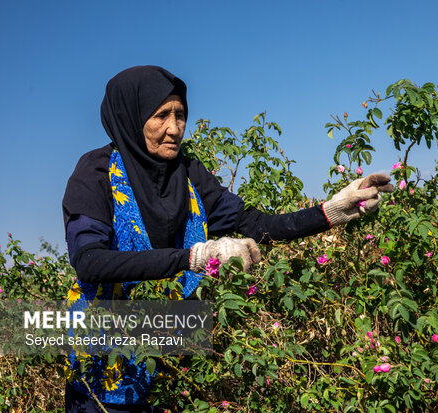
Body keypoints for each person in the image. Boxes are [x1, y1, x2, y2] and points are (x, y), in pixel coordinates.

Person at [62, 65, 393, 412]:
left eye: (180, 115)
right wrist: (194, 257)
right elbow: (90, 261)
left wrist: (334, 209)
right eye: (161, 116)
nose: (174, 128)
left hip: (178, 359)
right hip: (105, 368)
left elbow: (255, 224)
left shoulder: (187, 174)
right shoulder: (96, 172)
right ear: (130, 116)